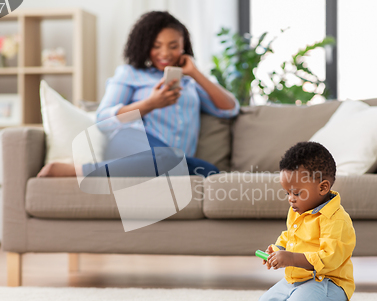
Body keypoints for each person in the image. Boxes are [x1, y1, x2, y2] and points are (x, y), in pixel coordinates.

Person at [38, 11, 239, 179]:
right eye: (156, 46)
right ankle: (76, 171)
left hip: (173, 158)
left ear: (183, 46)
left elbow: (230, 109)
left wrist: (195, 73)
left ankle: (163, 166)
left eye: (173, 46)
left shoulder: (189, 83)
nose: (165, 53)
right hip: (132, 144)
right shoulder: (131, 74)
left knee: (211, 172)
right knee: (168, 158)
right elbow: (103, 119)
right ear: (144, 46)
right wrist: (150, 104)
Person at [255, 142, 358, 301]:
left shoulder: (335, 219)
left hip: (328, 281)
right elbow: (289, 236)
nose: (290, 199)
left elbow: (329, 258)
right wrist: (277, 248)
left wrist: (291, 259)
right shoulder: (297, 210)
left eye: (296, 193)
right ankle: (300, 298)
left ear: (323, 188)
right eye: (287, 193)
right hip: (298, 279)